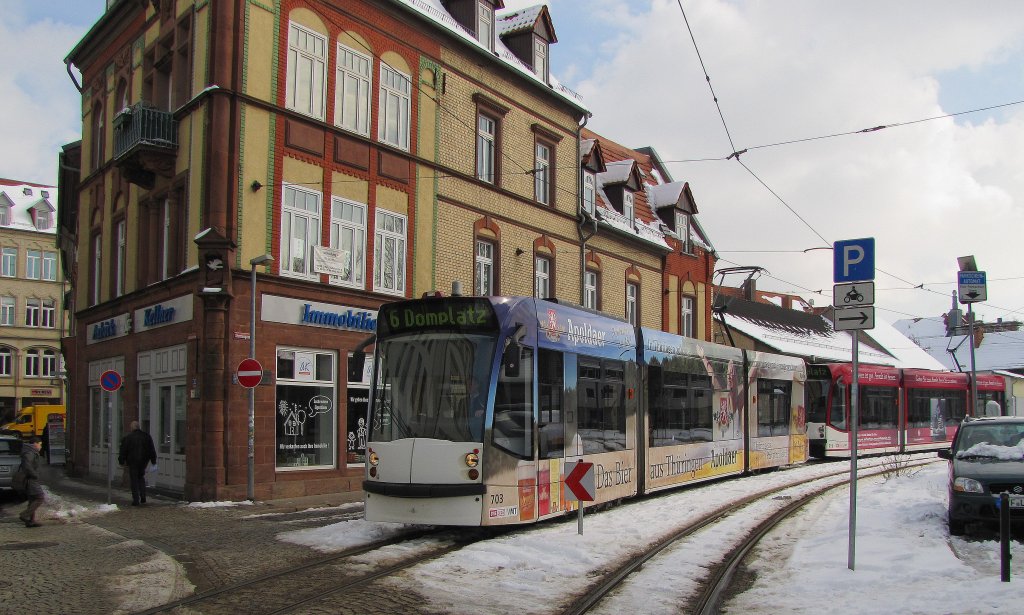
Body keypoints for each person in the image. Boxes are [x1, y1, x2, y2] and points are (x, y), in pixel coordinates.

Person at [118, 420, 157, 506]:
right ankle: (143, 496)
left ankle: (136, 499)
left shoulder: (128, 438)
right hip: (143, 461)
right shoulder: (146, 436)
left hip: (132, 461)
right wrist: (153, 461)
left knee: (134, 480)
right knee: (141, 477)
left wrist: (121, 460)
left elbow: (123, 450)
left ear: (132, 428)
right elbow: (151, 449)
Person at [18, 437, 45, 528]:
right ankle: (24, 515)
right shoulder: (30, 452)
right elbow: (27, 465)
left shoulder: (31, 451)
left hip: (30, 479)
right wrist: (34, 475)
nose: (41, 446)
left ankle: (31, 521)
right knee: (40, 497)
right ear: (35, 444)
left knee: (32, 499)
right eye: (40, 444)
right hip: (31, 479)